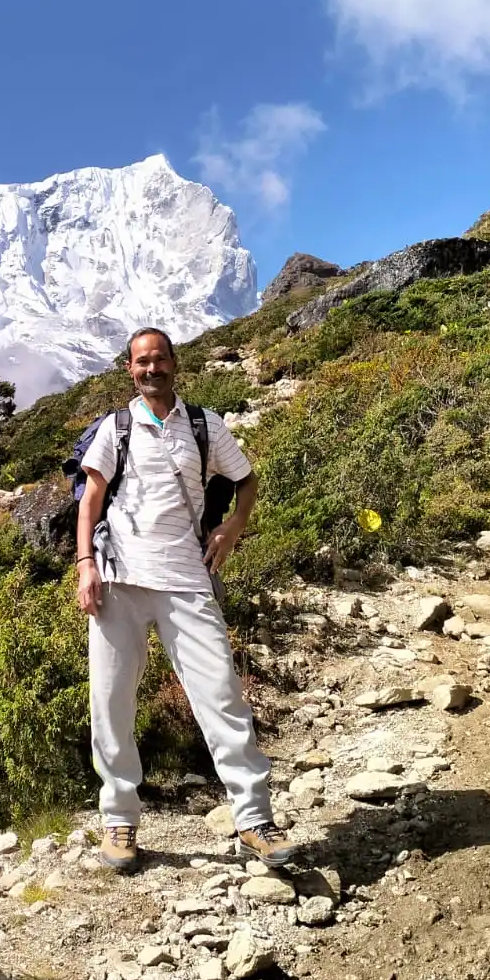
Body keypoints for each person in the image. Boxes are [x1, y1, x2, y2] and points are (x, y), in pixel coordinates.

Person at [76, 326, 295, 874]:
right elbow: (91, 501)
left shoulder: (204, 425)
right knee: (111, 704)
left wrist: (233, 528)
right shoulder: (115, 428)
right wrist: (85, 565)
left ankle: (254, 820)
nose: (151, 369)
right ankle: (119, 820)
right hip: (118, 580)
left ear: (175, 363)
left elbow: (246, 481)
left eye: (159, 359)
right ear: (129, 369)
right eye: (141, 361)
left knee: (222, 696)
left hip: (186, 578)